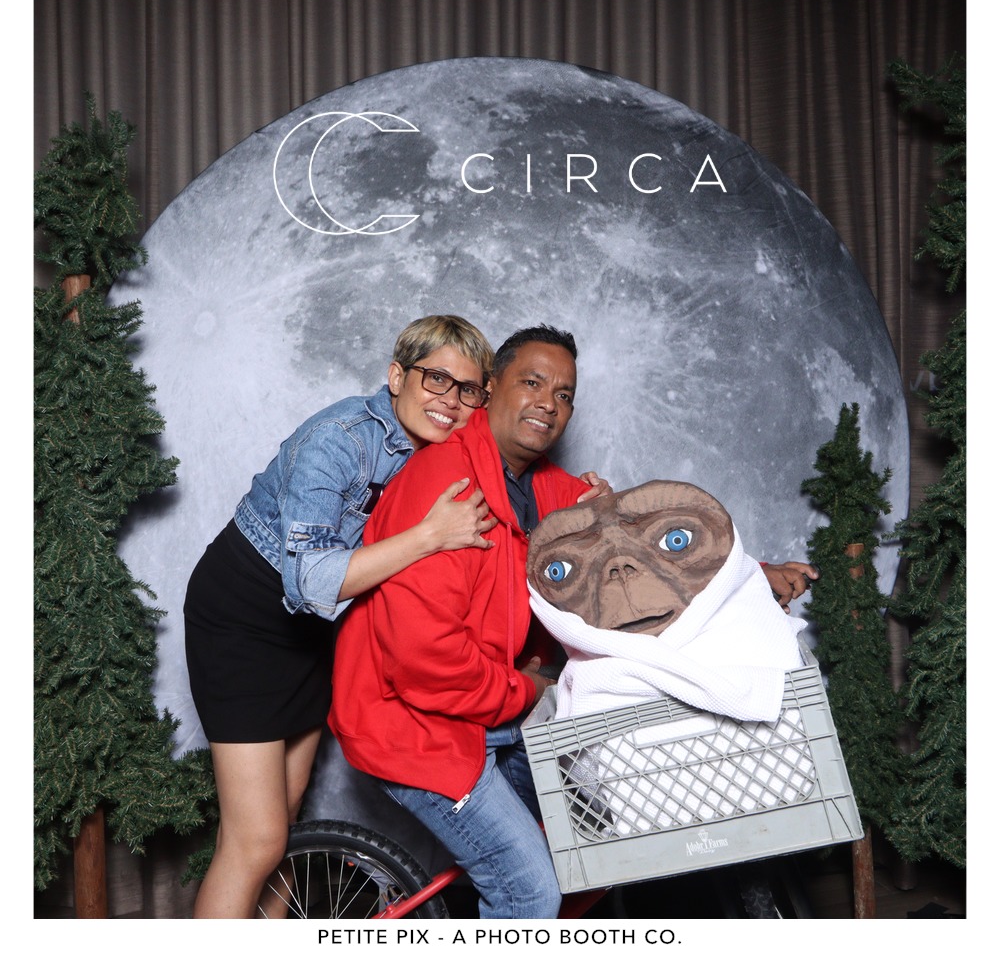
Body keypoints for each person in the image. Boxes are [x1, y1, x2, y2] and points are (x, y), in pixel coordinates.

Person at [329, 324, 817, 918]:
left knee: (602, 825)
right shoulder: (445, 483)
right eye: (532, 383)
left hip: (482, 709)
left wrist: (757, 575)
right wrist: (526, 690)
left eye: (563, 394)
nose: (548, 404)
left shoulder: (546, 489)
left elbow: (652, 544)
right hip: (412, 723)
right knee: (531, 890)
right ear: (490, 387)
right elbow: (421, 659)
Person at [184, 315, 500, 918]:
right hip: (245, 621)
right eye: (436, 379)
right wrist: (430, 536)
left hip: (312, 634)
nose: (451, 401)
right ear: (397, 377)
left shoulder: (446, 443)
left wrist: (582, 498)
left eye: (468, 390)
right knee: (256, 840)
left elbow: (518, 441)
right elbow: (311, 582)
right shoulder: (339, 440)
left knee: (284, 822)